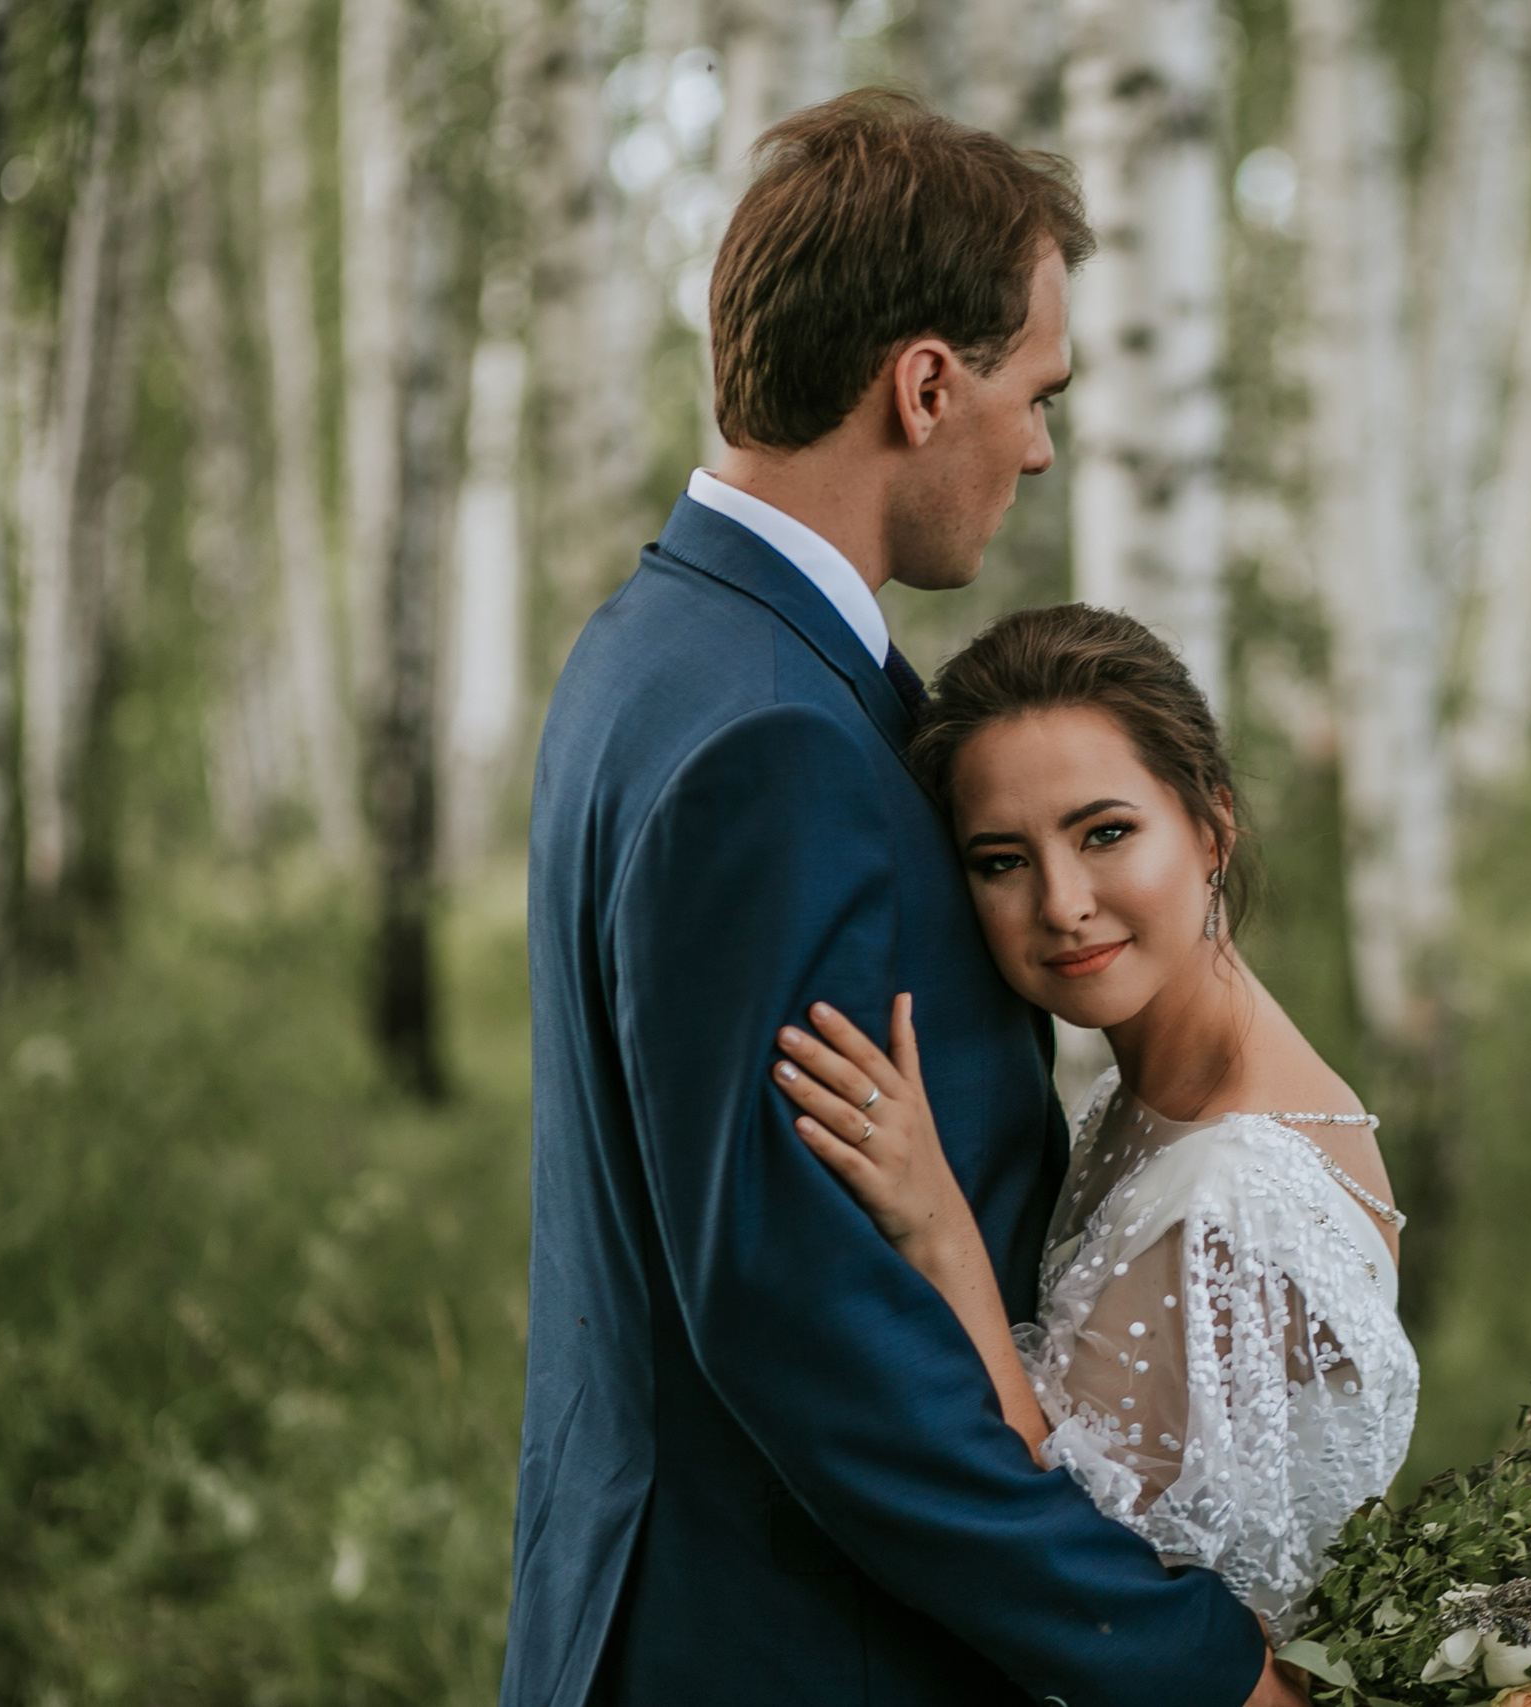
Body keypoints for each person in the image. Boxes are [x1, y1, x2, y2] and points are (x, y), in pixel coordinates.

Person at [503, 90, 1305, 1706]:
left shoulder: (654, 646)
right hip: (790, 1654)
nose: (1042, 446)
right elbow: (819, 1341)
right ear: (927, 386)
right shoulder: (774, 742)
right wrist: (1191, 1669)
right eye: (1034, 393)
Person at [771, 607, 1418, 1644]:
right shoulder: (1145, 1099)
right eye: (1000, 860)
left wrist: (936, 1225)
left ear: (1212, 826)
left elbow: (1067, 1550)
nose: (1062, 903)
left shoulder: (1235, 1189)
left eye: (1105, 833)